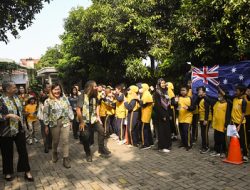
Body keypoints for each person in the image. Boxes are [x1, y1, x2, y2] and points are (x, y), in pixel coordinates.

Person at [0, 81, 34, 181]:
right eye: (14, 87)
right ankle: (8, 172)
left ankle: (27, 171)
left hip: (19, 129)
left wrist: (25, 113)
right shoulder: (1, 100)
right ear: (7, 89)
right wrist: (8, 115)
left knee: (23, 150)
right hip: (6, 130)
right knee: (7, 152)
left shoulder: (17, 98)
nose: (16, 89)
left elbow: (20, 111)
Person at [76, 80, 111, 162]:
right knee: (85, 137)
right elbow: (78, 109)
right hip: (84, 120)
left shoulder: (95, 95)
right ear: (90, 87)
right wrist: (81, 122)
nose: (96, 87)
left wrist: (98, 117)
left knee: (102, 131)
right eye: (95, 86)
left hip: (93, 118)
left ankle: (101, 149)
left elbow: (97, 106)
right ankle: (88, 153)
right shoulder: (82, 96)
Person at [43, 83, 74, 168]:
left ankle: (65, 158)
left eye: (58, 89)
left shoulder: (64, 98)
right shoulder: (48, 101)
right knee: (55, 141)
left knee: (66, 140)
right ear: (51, 90)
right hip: (54, 122)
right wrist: (46, 125)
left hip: (65, 121)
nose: (57, 91)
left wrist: (71, 120)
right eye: (55, 89)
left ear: (61, 90)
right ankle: (54, 152)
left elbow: (69, 108)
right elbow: (45, 113)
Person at [220, 85, 248, 162]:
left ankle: (245, 155)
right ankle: (233, 152)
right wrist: (218, 87)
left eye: (237, 91)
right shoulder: (234, 98)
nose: (236, 92)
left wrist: (239, 125)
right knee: (233, 138)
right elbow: (225, 95)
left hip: (241, 123)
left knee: (242, 140)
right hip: (233, 123)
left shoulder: (243, 101)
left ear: (242, 92)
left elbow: (243, 114)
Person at [210, 89, 232, 158]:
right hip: (216, 125)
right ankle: (217, 151)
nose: (219, 96)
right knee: (216, 138)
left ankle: (223, 152)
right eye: (218, 94)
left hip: (222, 126)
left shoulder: (228, 104)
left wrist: (226, 125)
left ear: (224, 96)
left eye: (221, 95)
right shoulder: (217, 103)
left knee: (222, 139)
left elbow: (228, 116)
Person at [154, 78, 172, 153]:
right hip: (161, 114)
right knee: (162, 130)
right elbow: (158, 105)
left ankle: (167, 145)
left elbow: (169, 104)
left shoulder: (166, 91)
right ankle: (162, 147)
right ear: (159, 84)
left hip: (167, 113)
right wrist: (163, 115)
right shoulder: (157, 93)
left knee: (167, 129)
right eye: (162, 83)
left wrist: (170, 114)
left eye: (164, 83)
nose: (163, 84)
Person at [175, 86, 195, 151]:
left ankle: (189, 145)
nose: (182, 91)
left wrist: (188, 108)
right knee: (182, 131)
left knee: (187, 131)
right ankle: (183, 143)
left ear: (187, 91)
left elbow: (194, 107)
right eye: (181, 90)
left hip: (188, 117)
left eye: (184, 90)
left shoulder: (190, 98)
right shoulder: (178, 98)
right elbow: (174, 105)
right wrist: (175, 101)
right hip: (180, 117)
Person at [196, 86, 212, 154]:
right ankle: (204, 146)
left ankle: (206, 147)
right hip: (202, 118)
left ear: (204, 92)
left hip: (206, 119)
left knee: (205, 133)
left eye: (200, 91)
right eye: (198, 91)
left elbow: (207, 110)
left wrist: (206, 119)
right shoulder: (201, 99)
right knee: (202, 133)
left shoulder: (206, 98)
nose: (198, 92)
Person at [138, 83, 154, 149]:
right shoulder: (146, 93)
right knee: (147, 129)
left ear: (144, 88)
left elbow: (143, 104)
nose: (139, 89)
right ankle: (150, 142)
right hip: (146, 114)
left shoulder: (147, 94)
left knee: (144, 129)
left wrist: (139, 99)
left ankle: (145, 144)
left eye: (140, 88)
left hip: (146, 114)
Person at [37, 83, 52, 153]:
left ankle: (50, 144)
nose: (49, 88)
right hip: (42, 116)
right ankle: (46, 146)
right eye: (48, 87)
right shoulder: (42, 95)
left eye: (50, 87)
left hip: (51, 116)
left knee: (51, 131)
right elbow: (41, 101)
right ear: (44, 88)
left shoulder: (52, 94)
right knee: (44, 132)